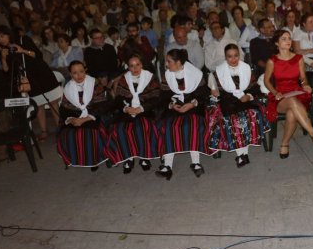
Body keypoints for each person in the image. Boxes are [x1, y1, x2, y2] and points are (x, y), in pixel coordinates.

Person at [264, 29, 313, 158]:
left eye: (289, 38)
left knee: (292, 112)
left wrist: (306, 85)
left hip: (297, 93)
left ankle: (284, 144)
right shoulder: (272, 61)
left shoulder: (298, 58)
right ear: (276, 43)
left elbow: (303, 78)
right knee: (291, 102)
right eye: (284, 39)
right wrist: (275, 92)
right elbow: (266, 81)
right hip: (280, 95)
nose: (288, 41)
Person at [0, 26, 61, 140]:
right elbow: (6, 71)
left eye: (2, 36)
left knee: (53, 103)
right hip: (28, 80)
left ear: (8, 34)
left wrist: (22, 50)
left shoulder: (23, 39)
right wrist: (4, 58)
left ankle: (60, 129)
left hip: (42, 74)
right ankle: (44, 131)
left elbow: (38, 55)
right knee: (38, 104)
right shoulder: (2, 51)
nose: (1, 40)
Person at [207, 44, 269, 167]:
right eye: (230, 56)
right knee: (234, 120)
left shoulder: (246, 68)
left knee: (251, 115)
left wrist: (249, 96)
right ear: (225, 57)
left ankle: (244, 154)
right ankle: (240, 154)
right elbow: (216, 94)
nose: (233, 59)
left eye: (236, 56)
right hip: (228, 101)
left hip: (245, 99)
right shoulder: (217, 72)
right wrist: (214, 92)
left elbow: (254, 88)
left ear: (239, 55)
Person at [156, 48, 211, 180]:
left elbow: (204, 95)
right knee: (169, 127)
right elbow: (162, 98)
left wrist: (192, 104)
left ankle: (196, 163)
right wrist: (171, 105)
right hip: (174, 107)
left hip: (193, 106)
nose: (166, 65)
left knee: (192, 125)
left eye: (169, 62)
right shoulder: (167, 76)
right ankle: (167, 166)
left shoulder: (196, 74)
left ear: (179, 62)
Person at [106, 54, 161, 173]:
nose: (135, 68)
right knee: (120, 129)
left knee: (143, 126)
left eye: (137, 65)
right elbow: (118, 99)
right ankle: (128, 157)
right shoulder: (123, 79)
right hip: (127, 110)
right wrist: (126, 108)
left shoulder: (150, 77)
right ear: (128, 67)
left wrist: (141, 108)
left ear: (142, 65)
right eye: (131, 66)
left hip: (145, 110)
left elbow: (156, 97)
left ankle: (144, 157)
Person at [56, 61, 110, 170]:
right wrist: (71, 119)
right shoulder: (68, 87)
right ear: (70, 75)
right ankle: (78, 159)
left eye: (81, 71)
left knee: (90, 132)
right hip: (75, 117)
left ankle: (94, 159)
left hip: (94, 116)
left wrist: (85, 119)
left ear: (85, 70)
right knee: (69, 133)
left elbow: (102, 105)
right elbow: (64, 108)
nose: (79, 75)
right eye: (75, 73)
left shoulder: (94, 83)